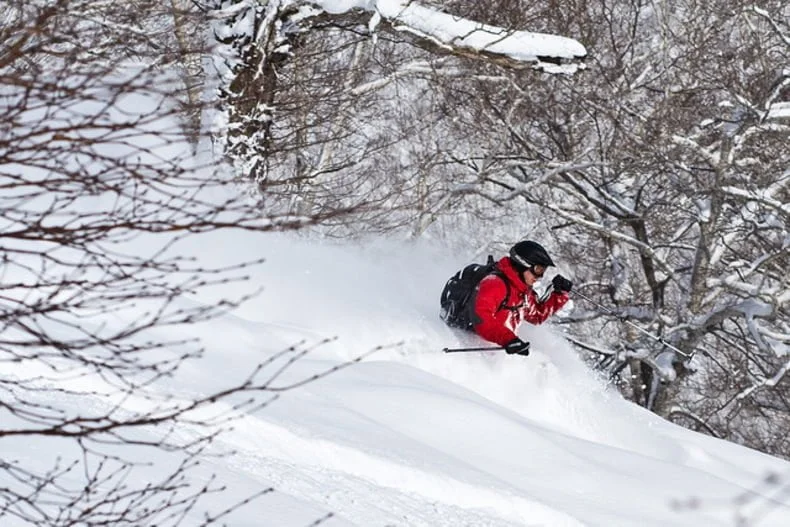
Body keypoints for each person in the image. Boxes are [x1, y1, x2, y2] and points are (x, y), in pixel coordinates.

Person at [472, 240, 572, 355]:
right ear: (523, 264)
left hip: (493, 349)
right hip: (468, 342)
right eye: (538, 270)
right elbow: (480, 318)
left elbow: (537, 315)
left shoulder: (521, 292)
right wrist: (508, 339)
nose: (540, 276)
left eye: (543, 271)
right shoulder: (495, 284)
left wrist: (560, 294)